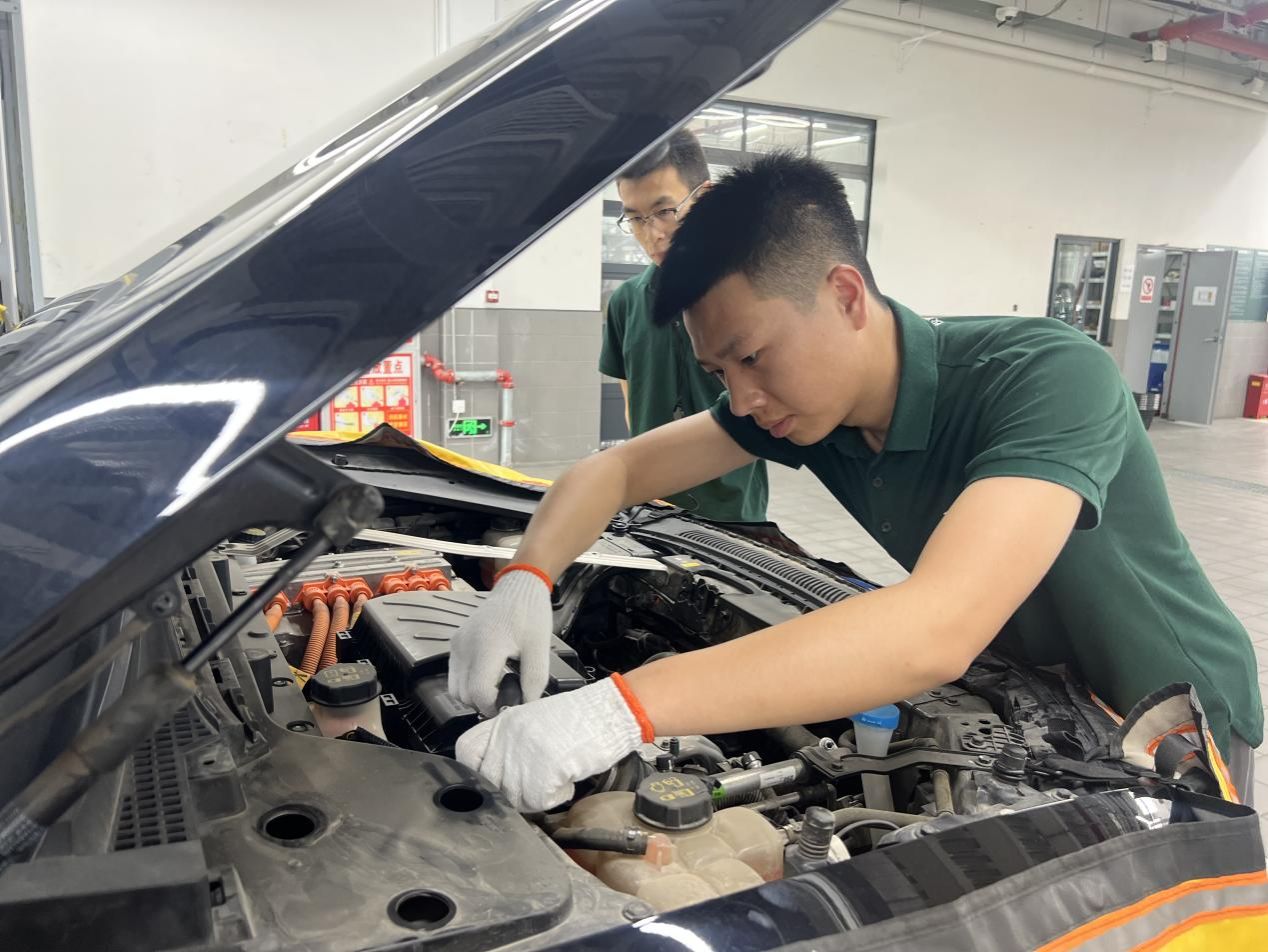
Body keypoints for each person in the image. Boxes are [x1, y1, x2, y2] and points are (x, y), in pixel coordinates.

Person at [448, 152, 1262, 813]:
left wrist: (622, 708)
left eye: (752, 355)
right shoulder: (807, 411)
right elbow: (619, 468)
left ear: (844, 295)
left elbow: (934, 629)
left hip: (1164, 712)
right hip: (1033, 695)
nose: (742, 397)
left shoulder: (1049, 374)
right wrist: (526, 578)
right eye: (720, 371)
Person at [600, 129, 768, 523]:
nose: (652, 234)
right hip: (650, 508)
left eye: (665, 211)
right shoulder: (626, 302)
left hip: (734, 511)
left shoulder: (754, 294)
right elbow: (632, 402)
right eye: (635, 218)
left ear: (704, 198)